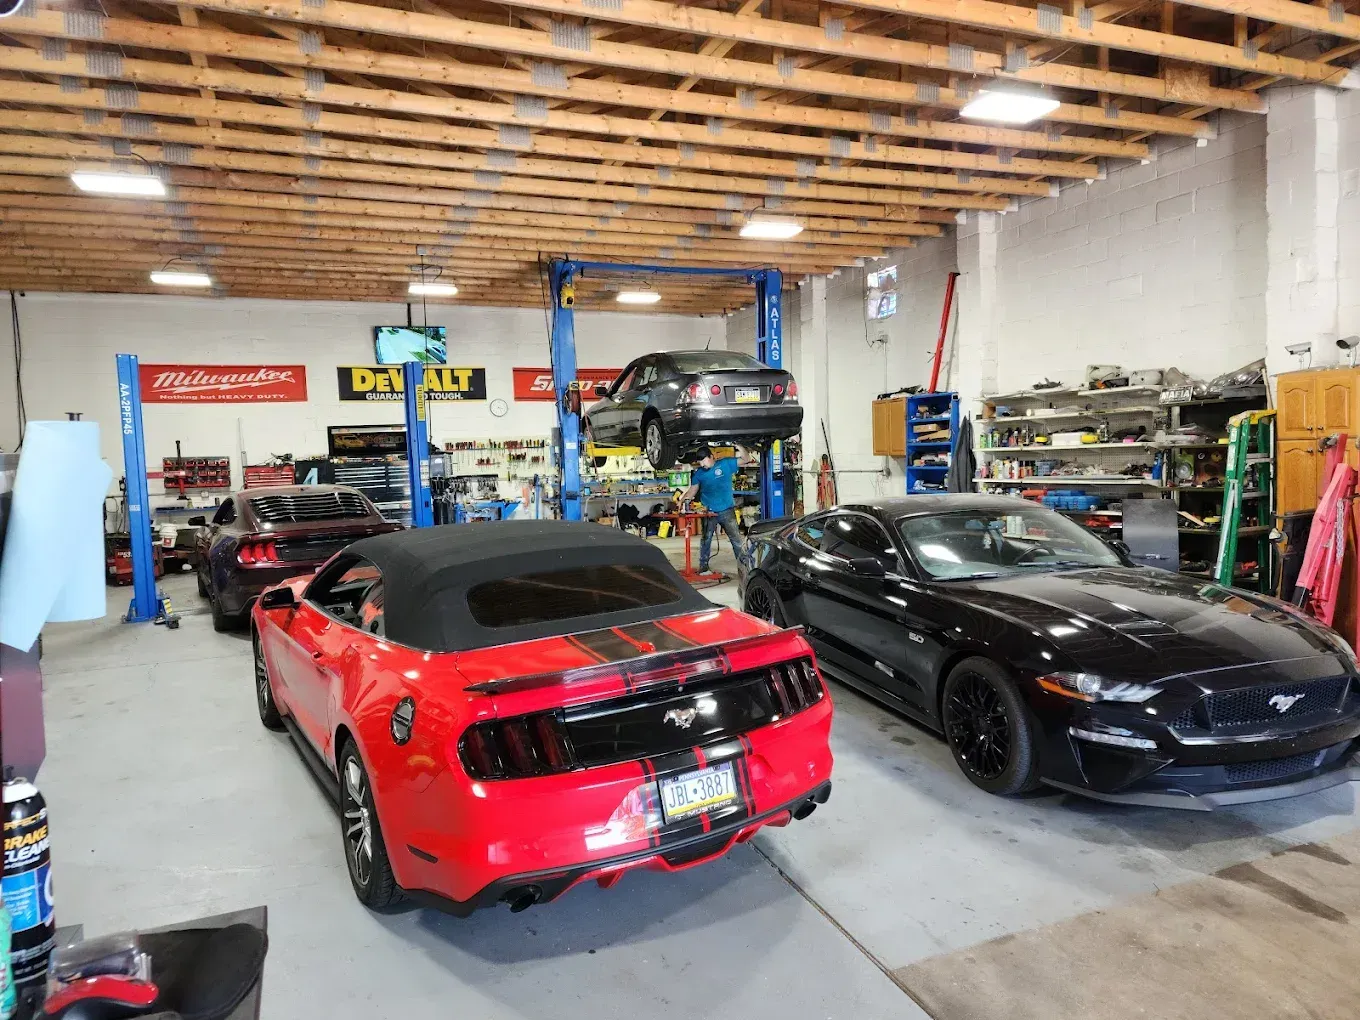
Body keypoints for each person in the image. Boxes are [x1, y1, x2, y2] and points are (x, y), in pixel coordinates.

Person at [683, 445, 749, 574]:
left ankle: (744, 568)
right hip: (708, 512)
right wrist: (682, 500)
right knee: (706, 539)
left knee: (736, 540)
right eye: (700, 462)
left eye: (704, 460)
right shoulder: (699, 474)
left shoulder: (725, 464)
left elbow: (746, 459)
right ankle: (703, 567)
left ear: (711, 457)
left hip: (727, 510)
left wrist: (739, 446)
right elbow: (692, 490)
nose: (702, 464)